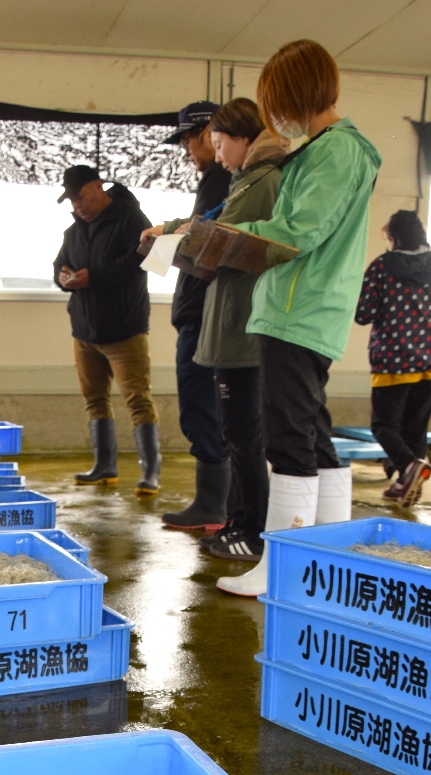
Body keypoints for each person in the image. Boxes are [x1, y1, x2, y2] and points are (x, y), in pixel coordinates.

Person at [213, 40, 381, 597]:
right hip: (308, 309)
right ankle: (330, 558)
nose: (273, 116)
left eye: (274, 101)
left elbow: (296, 232)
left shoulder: (336, 150)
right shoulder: (329, 149)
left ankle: (284, 569)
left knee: (287, 438)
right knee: (314, 434)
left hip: (298, 309)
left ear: (294, 94)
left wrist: (224, 239)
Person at [192, 99, 289, 563]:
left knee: (244, 436)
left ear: (243, 138)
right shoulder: (244, 181)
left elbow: (223, 242)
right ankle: (238, 522)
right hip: (232, 324)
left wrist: (185, 239)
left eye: (219, 142)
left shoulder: (262, 181)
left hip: (243, 330)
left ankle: (253, 529)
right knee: (237, 434)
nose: (216, 153)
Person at [142, 102, 231, 530]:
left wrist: (168, 237)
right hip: (204, 313)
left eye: (189, 141)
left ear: (212, 134)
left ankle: (214, 506)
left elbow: (205, 237)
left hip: (202, 315)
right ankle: (218, 504)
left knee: (201, 407)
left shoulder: (220, 176)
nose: (188, 151)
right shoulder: (223, 180)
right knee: (213, 409)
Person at [53, 164, 160, 496]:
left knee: (137, 398)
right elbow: (59, 263)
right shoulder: (73, 231)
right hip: (84, 330)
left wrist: (93, 277)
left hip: (125, 328)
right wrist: (62, 276)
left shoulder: (132, 219)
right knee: (94, 399)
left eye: (81, 197)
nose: (78, 206)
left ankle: (151, 472)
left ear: (98, 186)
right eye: (71, 201)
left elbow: (140, 262)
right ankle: (104, 466)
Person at [355, 209, 431, 507]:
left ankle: (410, 468)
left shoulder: (382, 266)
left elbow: (363, 314)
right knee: (414, 429)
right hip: (428, 363)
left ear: (394, 236)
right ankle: (404, 483)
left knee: (383, 426)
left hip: (393, 361)